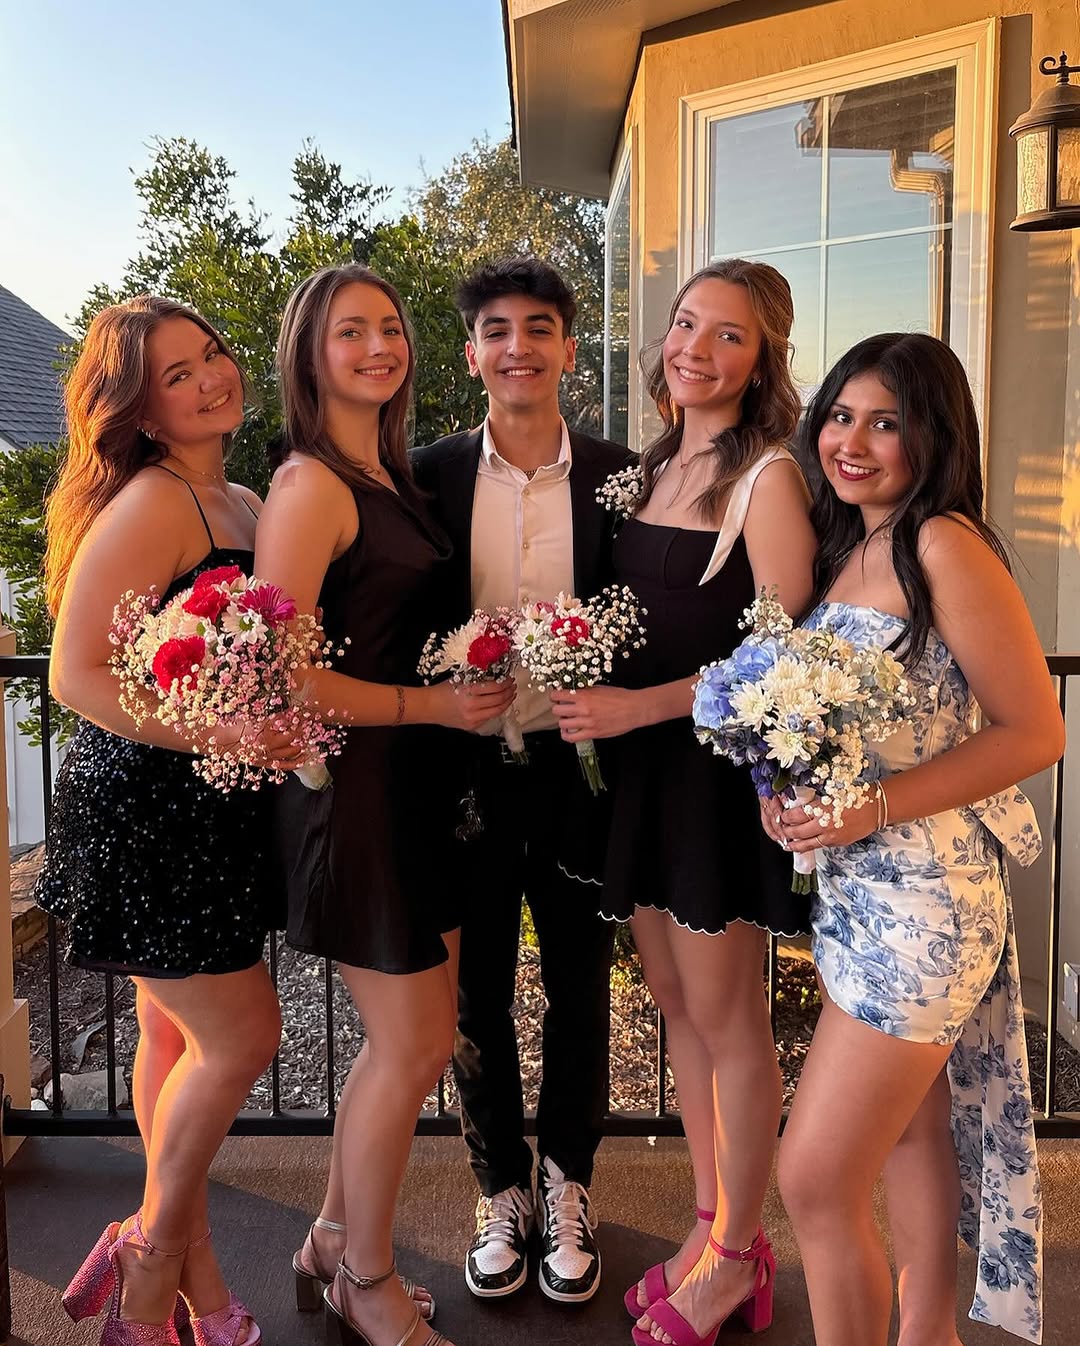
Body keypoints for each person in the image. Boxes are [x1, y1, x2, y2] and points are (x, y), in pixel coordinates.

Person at [762, 332, 1063, 1346]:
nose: (851, 442)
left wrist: (873, 809)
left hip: (926, 908)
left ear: (932, 435)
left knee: (814, 1176)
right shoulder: (850, 543)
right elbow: (837, 729)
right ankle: (926, 1331)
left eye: (884, 422)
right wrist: (788, 796)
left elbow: (1036, 730)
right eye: (841, 416)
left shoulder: (942, 544)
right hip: (858, 894)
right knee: (911, 1136)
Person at [551, 259, 815, 1346]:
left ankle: (742, 1252)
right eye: (686, 323)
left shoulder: (769, 478)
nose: (697, 349)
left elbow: (785, 659)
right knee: (675, 1002)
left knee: (729, 1018)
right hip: (641, 777)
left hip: (709, 781)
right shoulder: (656, 463)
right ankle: (712, 1229)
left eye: (729, 335)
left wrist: (637, 705)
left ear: (763, 360)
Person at [255, 263, 513, 1346]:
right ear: (310, 355)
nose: (378, 345)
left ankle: (330, 1237)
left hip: (417, 791)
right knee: (413, 1046)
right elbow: (284, 676)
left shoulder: (393, 476)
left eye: (391, 326)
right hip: (355, 796)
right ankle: (367, 1279)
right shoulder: (309, 485)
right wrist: (434, 704)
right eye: (350, 330)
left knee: (412, 1041)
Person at [41, 295, 296, 1346]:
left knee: (171, 1035)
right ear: (139, 411)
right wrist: (220, 734)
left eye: (213, 354)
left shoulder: (240, 497)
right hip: (147, 812)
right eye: (176, 374)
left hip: (209, 812)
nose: (210, 378)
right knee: (244, 1036)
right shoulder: (152, 502)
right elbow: (73, 674)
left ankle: (198, 1279)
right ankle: (148, 1259)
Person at [411, 256, 632, 1305]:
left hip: (582, 771)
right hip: (469, 778)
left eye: (539, 328)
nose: (518, 347)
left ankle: (569, 1179)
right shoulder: (428, 476)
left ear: (568, 349)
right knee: (478, 996)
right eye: (497, 329)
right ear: (472, 354)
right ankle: (500, 1185)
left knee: (581, 986)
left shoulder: (620, 475)